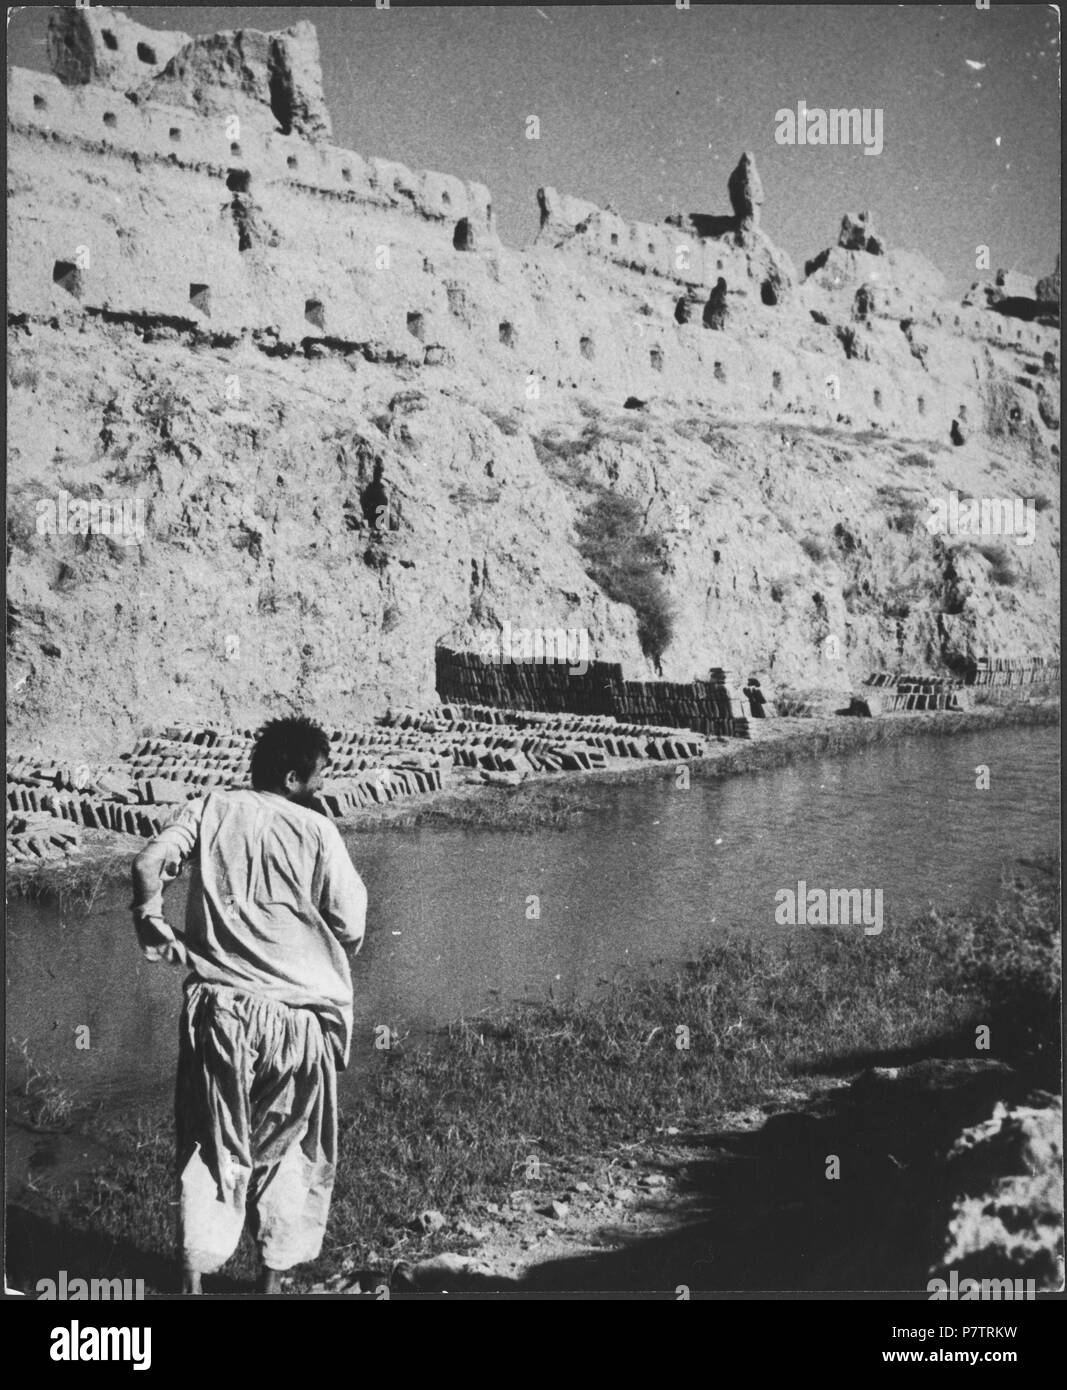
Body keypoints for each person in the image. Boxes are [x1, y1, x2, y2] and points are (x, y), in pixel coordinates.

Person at [130, 715, 368, 1294]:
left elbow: (145, 863)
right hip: (299, 1021)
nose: (322, 786)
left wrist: (151, 920)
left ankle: (190, 1284)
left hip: (222, 1016)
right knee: (292, 1149)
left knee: (212, 1146)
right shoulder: (319, 831)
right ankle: (269, 1285)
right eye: (318, 775)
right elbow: (352, 925)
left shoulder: (211, 807)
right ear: (292, 778)